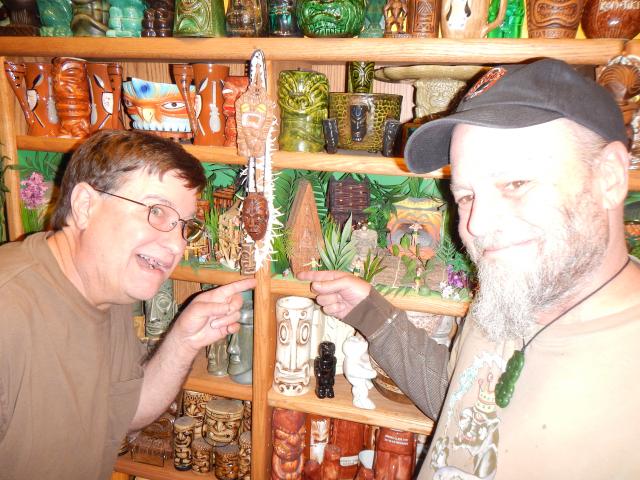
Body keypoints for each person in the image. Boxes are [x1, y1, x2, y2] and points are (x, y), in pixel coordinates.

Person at [299, 58, 640, 479]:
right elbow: (458, 404)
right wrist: (371, 312)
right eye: (465, 196)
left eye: (515, 184)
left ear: (609, 177)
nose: (476, 225)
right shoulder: (507, 294)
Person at [0, 129, 256, 479]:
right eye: (156, 211)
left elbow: (126, 412)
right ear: (85, 206)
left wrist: (184, 341)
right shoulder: (8, 308)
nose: (177, 245)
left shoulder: (111, 289)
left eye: (185, 226)